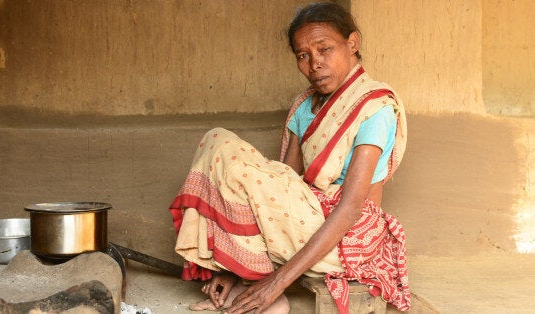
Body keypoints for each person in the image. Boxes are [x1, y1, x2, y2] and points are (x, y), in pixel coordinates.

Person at [169, 2, 410, 313]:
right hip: (301, 218)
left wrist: (276, 282)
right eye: (303, 55)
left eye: (325, 49)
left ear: (352, 43)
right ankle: (248, 274)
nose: (315, 64)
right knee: (218, 140)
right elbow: (283, 183)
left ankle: (266, 287)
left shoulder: (374, 108)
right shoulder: (303, 106)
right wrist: (233, 266)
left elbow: (351, 208)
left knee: (238, 162)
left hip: (348, 237)